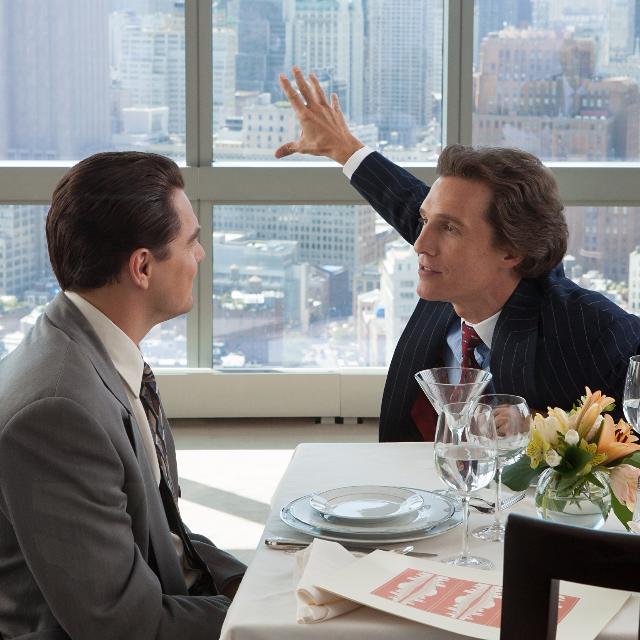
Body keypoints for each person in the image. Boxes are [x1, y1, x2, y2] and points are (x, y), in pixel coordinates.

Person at [275, 67, 640, 441]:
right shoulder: (452, 272)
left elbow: (630, 434)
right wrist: (343, 148)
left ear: (512, 250)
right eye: (424, 221)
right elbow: (405, 199)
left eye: (449, 228)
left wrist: (545, 430)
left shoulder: (594, 331)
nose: (420, 244)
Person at [0, 152, 245, 639]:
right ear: (142, 267)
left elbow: (165, 537)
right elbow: (122, 624)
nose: (200, 255)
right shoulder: (57, 413)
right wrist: (272, 618)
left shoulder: (92, 350)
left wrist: (267, 583)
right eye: (191, 242)